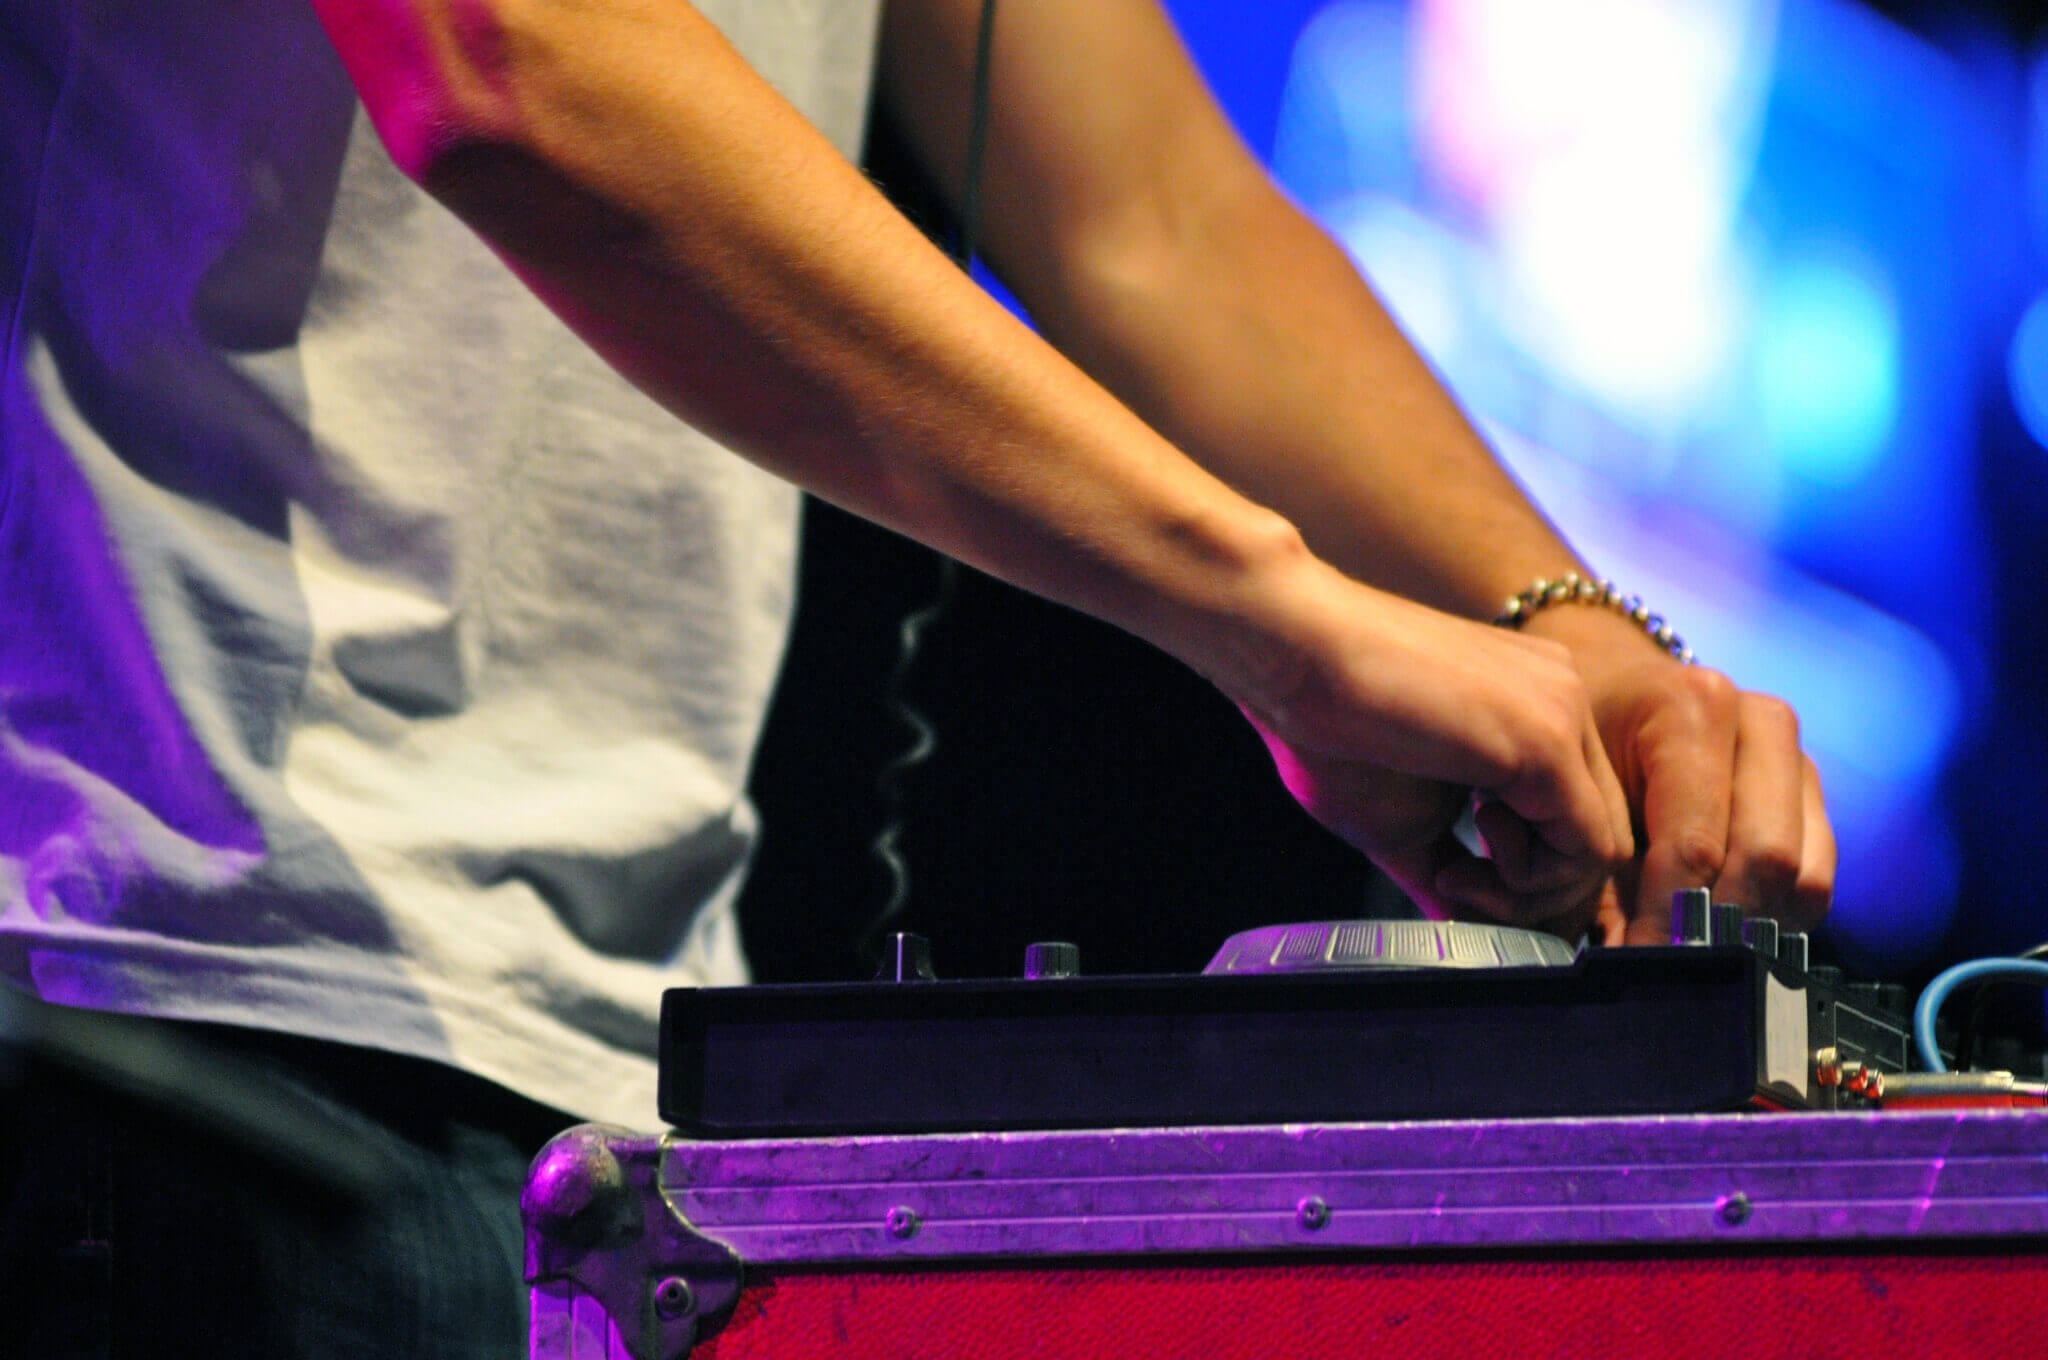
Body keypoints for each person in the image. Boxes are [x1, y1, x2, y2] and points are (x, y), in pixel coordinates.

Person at [0, 0, 1833, 1353]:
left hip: (598, 1097)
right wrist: (1290, 622)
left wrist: (1559, 617)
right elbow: (513, 64)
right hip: (181, 1016)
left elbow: (1151, 216)